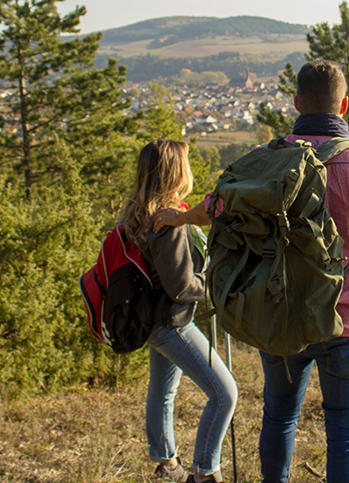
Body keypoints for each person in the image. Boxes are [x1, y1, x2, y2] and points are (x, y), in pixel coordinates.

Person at [155, 60, 349, 483]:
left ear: (295, 103)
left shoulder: (263, 159)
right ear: (344, 105)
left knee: (278, 418)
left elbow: (216, 207)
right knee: (346, 437)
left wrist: (178, 219)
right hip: (348, 326)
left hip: (279, 316)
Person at [121, 139, 237, 483]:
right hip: (170, 322)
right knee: (224, 393)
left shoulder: (138, 211)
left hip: (152, 318)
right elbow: (182, 287)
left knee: (163, 389)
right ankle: (204, 471)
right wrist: (216, 282)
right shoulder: (167, 220)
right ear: (175, 172)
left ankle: (166, 462)